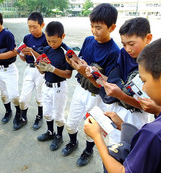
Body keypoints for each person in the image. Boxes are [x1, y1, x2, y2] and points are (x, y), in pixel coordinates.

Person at [84, 38, 161, 173]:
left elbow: (123, 171)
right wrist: (123, 125)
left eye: (143, 80)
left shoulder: (152, 132)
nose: (143, 87)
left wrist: (97, 136)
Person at [62, 3, 120, 167]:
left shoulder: (114, 51)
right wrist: (74, 62)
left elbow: (106, 85)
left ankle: (88, 150)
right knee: (71, 122)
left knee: (92, 127)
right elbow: (81, 61)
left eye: (98, 27)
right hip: (81, 90)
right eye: (92, 26)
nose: (94, 31)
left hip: (96, 97)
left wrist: (84, 71)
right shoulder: (88, 40)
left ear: (112, 27)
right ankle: (73, 143)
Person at [87, 17, 161, 144]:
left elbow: (148, 106)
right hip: (117, 108)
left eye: (131, 44)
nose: (128, 49)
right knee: (114, 145)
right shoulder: (123, 54)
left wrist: (120, 94)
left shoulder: (154, 63)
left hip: (135, 115)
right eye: (124, 44)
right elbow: (113, 78)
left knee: (130, 148)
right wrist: (97, 77)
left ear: (148, 38)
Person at [36, 21, 73, 151]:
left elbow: (68, 74)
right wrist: (40, 67)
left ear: (63, 36)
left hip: (59, 88)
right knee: (47, 112)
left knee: (58, 115)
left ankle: (59, 136)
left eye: (54, 41)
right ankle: (50, 132)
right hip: (46, 86)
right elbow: (42, 71)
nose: (51, 44)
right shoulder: (46, 49)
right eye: (48, 40)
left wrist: (52, 69)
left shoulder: (66, 52)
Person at [15, 12, 48, 130]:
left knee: (40, 96)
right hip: (29, 69)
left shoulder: (46, 39)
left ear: (42, 25)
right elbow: (24, 59)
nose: (32, 29)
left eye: (35, 26)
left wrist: (33, 52)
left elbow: (46, 60)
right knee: (23, 97)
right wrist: (20, 53)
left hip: (41, 71)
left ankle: (40, 116)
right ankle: (23, 117)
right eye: (29, 26)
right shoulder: (27, 38)